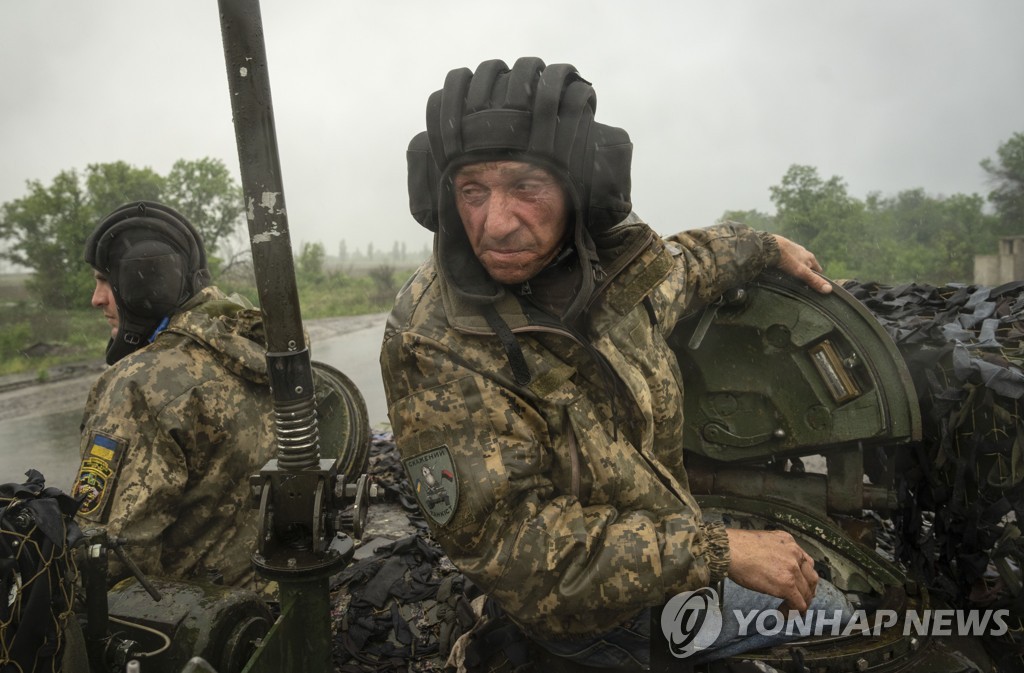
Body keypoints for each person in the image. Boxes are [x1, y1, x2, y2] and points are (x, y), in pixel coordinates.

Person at [380, 58, 852, 668]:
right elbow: (515, 548)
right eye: (473, 191)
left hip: (660, 553)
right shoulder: (435, 340)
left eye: (526, 187)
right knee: (837, 609)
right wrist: (716, 550)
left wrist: (766, 247)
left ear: (580, 193)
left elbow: (690, 264)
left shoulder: (621, 275)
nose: (495, 224)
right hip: (586, 613)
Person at [71, 200, 274, 588]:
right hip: (264, 597)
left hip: (191, 629)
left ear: (144, 282)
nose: (96, 299)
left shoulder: (140, 386)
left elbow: (110, 560)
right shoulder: (254, 345)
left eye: (104, 281)